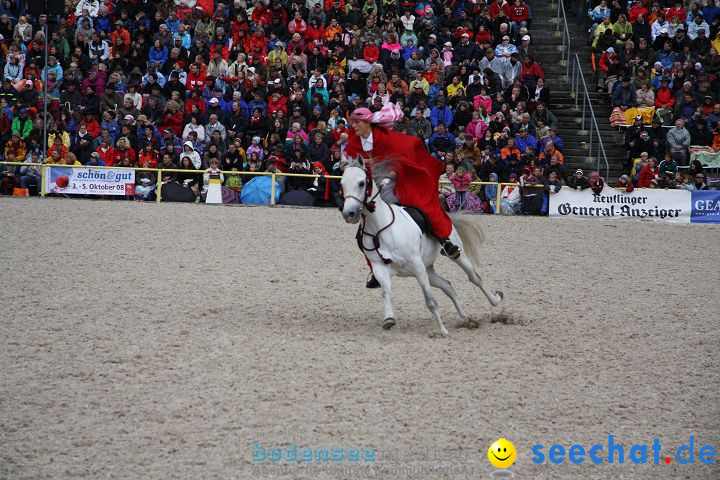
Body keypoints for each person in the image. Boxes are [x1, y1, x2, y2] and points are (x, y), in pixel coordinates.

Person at [344, 104, 460, 289]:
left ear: (367, 123)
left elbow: (398, 162)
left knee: (420, 208)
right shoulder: (356, 142)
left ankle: (444, 241)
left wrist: (386, 180)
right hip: (371, 185)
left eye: (357, 122)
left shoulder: (386, 139)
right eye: (353, 123)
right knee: (362, 233)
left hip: (395, 179)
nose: (354, 126)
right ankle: (375, 269)